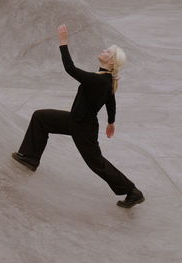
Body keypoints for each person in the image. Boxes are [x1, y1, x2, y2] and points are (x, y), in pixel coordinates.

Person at [12, 24, 145, 208]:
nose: (103, 51)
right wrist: (111, 122)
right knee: (40, 117)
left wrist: (63, 42)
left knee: (96, 164)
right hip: (75, 120)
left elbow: (70, 68)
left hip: (83, 127)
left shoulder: (99, 80)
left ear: (112, 62)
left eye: (107, 52)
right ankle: (30, 157)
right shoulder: (105, 79)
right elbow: (111, 100)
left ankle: (132, 192)